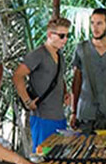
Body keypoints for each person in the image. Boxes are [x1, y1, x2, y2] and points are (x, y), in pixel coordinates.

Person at [13, 17, 71, 151]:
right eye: (62, 36)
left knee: (58, 156)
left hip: (59, 115)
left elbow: (59, 78)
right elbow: (17, 76)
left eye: (67, 35)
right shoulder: (37, 55)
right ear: (50, 35)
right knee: (43, 156)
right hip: (42, 117)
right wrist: (27, 101)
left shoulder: (60, 56)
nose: (65, 40)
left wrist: (65, 93)